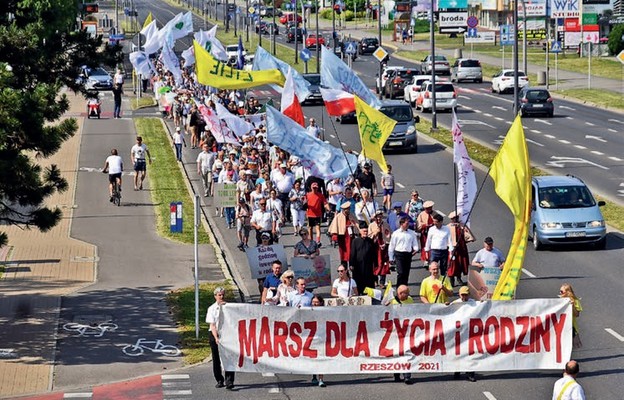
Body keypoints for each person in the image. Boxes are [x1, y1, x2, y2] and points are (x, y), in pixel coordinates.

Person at [206, 287, 235, 390]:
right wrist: (216, 337)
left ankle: (229, 380)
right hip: (215, 333)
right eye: (219, 295)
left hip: (227, 334)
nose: (221, 297)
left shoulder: (229, 307)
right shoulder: (211, 309)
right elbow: (212, 325)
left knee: (229, 357)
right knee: (216, 358)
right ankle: (219, 379)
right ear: (215, 296)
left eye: (223, 295)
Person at [449, 286, 477, 382]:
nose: (464, 297)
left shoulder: (474, 303)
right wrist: (446, 306)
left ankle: (470, 373)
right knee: (458, 353)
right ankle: (457, 372)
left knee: (470, 354)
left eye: (466, 295)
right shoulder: (455, 303)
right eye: (462, 295)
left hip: (470, 333)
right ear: (459, 294)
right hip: (458, 333)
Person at [388, 284, 414, 385]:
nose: (408, 295)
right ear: (399, 294)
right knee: (396, 353)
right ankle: (397, 374)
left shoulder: (410, 300)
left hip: (407, 331)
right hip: (394, 332)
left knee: (407, 353)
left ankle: (407, 375)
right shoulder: (391, 302)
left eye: (408, 293)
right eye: (406, 294)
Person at [388, 216, 420, 286]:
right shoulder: (396, 234)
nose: (408, 224)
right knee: (401, 272)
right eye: (406, 223)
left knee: (406, 273)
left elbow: (415, 244)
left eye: (408, 223)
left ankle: (405, 290)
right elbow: (391, 246)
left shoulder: (412, 233)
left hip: (408, 254)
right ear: (401, 224)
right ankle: (399, 289)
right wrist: (391, 257)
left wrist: (415, 250)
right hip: (399, 254)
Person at [447, 211, 475, 287]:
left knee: (460, 264)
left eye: (457, 218)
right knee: (452, 265)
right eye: (455, 218)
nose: (456, 219)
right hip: (452, 249)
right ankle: (451, 280)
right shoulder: (448, 227)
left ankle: (459, 278)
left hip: (461, 248)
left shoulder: (462, 225)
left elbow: (468, 235)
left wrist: (468, 237)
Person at [349, 221, 378, 294]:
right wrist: (351, 264)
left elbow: (374, 253)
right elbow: (352, 254)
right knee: (358, 280)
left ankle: (369, 294)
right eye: (364, 231)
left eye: (366, 231)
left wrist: (376, 264)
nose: (365, 232)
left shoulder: (370, 241)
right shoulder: (355, 241)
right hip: (358, 266)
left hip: (368, 265)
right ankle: (359, 293)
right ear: (360, 231)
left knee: (369, 280)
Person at [328, 202, 359, 266]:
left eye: (348, 209)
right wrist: (335, 236)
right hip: (343, 239)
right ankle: (344, 269)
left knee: (352, 254)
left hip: (351, 238)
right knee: (343, 254)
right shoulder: (338, 217)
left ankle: (352, 267)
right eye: (346, 209)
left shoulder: (352, 215)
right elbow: (334, 227)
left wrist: (355, 227)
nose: (348, 210)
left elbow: (357, 225)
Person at [368, 210, 392, 287]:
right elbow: (369, 236)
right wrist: (376, 232)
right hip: (375, 247)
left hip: (383, 248)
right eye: (377, 217)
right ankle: (375, 280)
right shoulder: (371, 225)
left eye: (380, 217)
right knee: (375, 264)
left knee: (384, 264)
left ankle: (382, 282)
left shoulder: (385, 225)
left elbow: (389, 235)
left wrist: (385, 243)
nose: (379, 219)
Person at [559, 283, 583, 348]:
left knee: (569, 344)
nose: (560, 293)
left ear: (568, 292)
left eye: (561, 291)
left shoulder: (575, 301)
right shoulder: (559, 301)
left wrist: (572, 306)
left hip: (570, 326)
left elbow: (577, 315)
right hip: (560, 326)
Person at [306, 181, 330, 246]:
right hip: (310, 214)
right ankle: (311, 241)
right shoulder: (307, 195)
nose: (315, 189)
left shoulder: (320, 195)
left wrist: (328, 208)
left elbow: (325, 203)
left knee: (317, 227)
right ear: (311, 188)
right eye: (313, 188)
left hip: (318, 214)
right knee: (310, 228)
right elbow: (304, 204)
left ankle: (318, 241)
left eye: (316, 188)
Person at [310, 294, 327, 387]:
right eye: (313, 302)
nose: (315, 304)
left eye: (317, 302)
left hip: (322, 337)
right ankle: (314, 376)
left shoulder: (325, 312)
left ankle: (321, 379)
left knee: (321, 358)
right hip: (311, 339)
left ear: (321, 303)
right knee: (312, 359)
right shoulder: (308, 311)